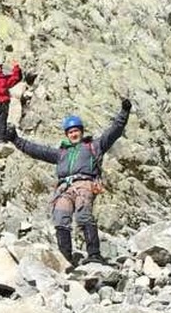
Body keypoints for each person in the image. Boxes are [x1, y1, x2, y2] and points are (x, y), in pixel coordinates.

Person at [7, 102, 132, 265]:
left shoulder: (94, 146)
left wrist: (124, 112)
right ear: (67, 134)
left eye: (76, 131)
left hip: (84, 184)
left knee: (83, 216)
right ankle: (65, 258)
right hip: (64, 188)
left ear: (81, 131)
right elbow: (37, 150)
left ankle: (94, 254)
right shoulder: (61, 153)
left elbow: (114, 131)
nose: (73, 134)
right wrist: (15, 139)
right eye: (70, 132)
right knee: (60, 219)